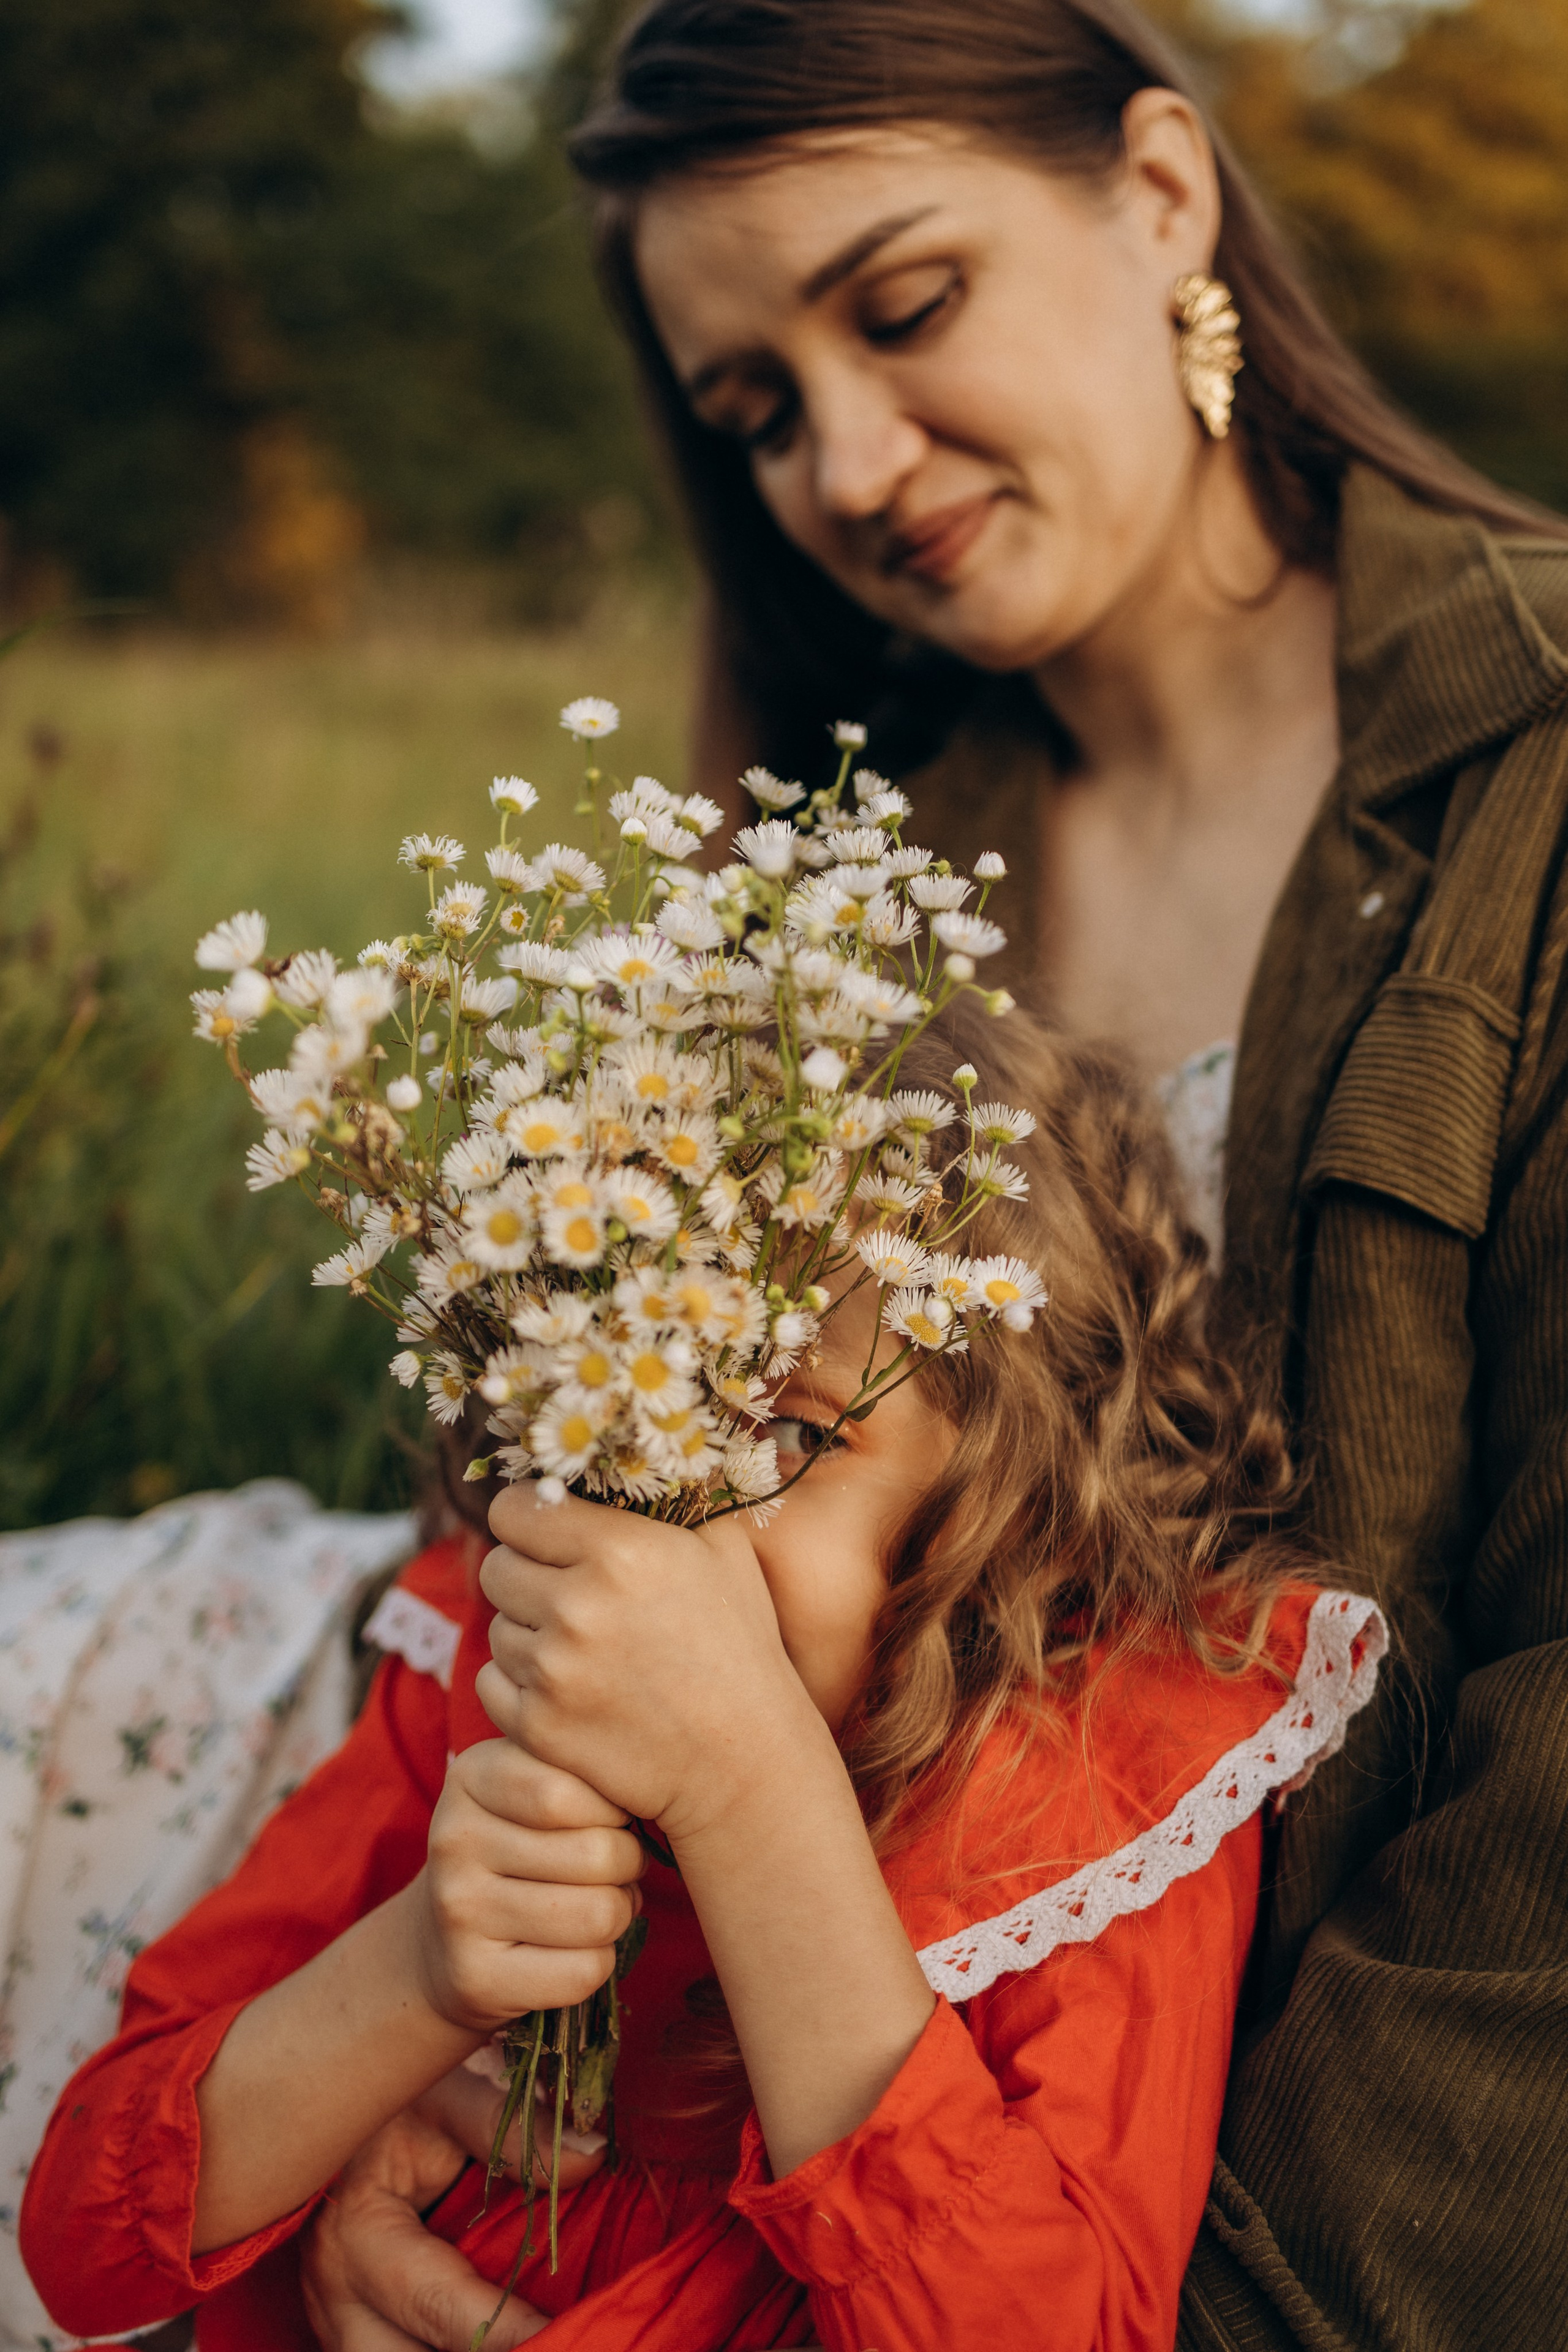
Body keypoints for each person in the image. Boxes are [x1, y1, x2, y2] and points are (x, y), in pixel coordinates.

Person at [288, 1, 1568, 2342]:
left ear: (1162, 196)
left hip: (1196, 2163)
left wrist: (1237, 2314)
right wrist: (405, 2085)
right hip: (788, 2062)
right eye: (755, 413)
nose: (849, 466)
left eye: (905, 305)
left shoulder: (1536, 787)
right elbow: (619, 1507)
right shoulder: (846, 862)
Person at [20, 1008, 1384, 2350]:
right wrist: (420, 1976)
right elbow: (85, 2237)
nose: (662, 1529)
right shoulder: (480, 1681)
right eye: (615, 1408)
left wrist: (748, 1790)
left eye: (784, 1435)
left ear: (1009, 1507)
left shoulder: (1092, 1798)